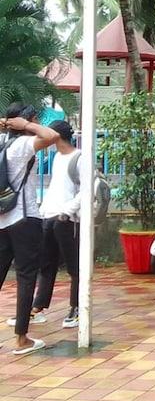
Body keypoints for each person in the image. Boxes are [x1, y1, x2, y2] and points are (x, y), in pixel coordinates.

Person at [0, 104, 60, 355]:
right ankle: (21, 338)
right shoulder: (21, 145)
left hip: (2, 220)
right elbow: (52, 136)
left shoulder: (2, 143)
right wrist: (25, 126)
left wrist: (7, 124)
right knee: (26, 277)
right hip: (25, 218)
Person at [31, 120, 81, 329]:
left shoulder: (79, 158)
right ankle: (38, 306)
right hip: (49, 216)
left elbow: (87, 190)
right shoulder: (58, 158)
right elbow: (55, 188)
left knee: (74, 266)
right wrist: (44, 211)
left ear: (56, 136)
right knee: (46, 264)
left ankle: (77, 306)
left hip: (66, 219)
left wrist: (67, 212)